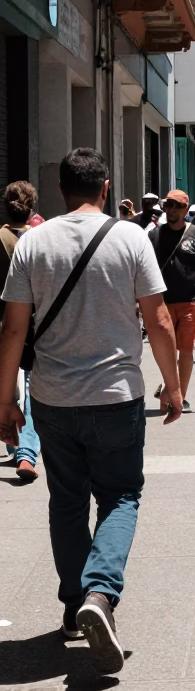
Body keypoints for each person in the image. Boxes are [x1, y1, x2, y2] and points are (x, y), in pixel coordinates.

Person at [0, 147, 182, 673]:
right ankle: (99, 594)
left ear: (61, 190)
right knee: (121, 497)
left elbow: (13, 329)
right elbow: (159, 320)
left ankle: (72, 606)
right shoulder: (131, 238)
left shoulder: (32, 242)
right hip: (116, 396)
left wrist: (6, 399)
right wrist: (173, 387)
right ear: (105, 188)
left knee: (66, 502)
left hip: (52, 397)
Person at [149, 189, 195, 411]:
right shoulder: (155, 235)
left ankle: (180, 396)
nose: (170, 209)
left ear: (185, 209)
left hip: (191, 300)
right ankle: (169, 387)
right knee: (167, 351)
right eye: (167, 205)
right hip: (162, 303)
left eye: (176, 206)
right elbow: (144, 270)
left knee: (187, 350)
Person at [0, 181, 41, 481]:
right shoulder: (42, 239)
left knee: (7, 386)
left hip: (2, 323)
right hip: (34, 324)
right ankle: (26, 453)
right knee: (30, 389)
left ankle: (14, 445)